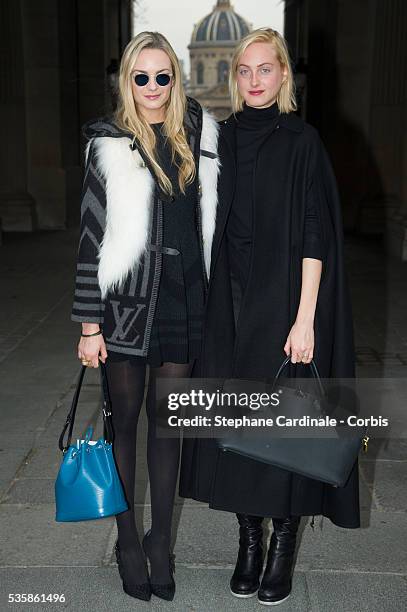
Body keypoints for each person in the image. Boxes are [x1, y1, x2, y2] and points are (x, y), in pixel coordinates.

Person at [179, 28, 360, 606]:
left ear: (284, 75)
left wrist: (305, 318)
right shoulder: (217, 139)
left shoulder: (303, 142)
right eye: (244, 71)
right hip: (227, 308)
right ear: (233, 79)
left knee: (281, 423)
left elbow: (316, 233)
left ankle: (282, 539)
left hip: (283, 303)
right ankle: (247, 540)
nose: (255, 80)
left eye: (265, 69)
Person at [71, 31, 220, 602]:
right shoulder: (107, 144)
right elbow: (89, 240)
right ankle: (128, 540)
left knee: (168, 428)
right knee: (124, 425)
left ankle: (161, 540)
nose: (153, 88)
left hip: (183, 300)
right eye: (142, 78)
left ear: (175, 80)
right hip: (126, 308)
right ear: (126, 82)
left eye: (163, 77)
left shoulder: (198, 136)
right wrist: (89, 325)